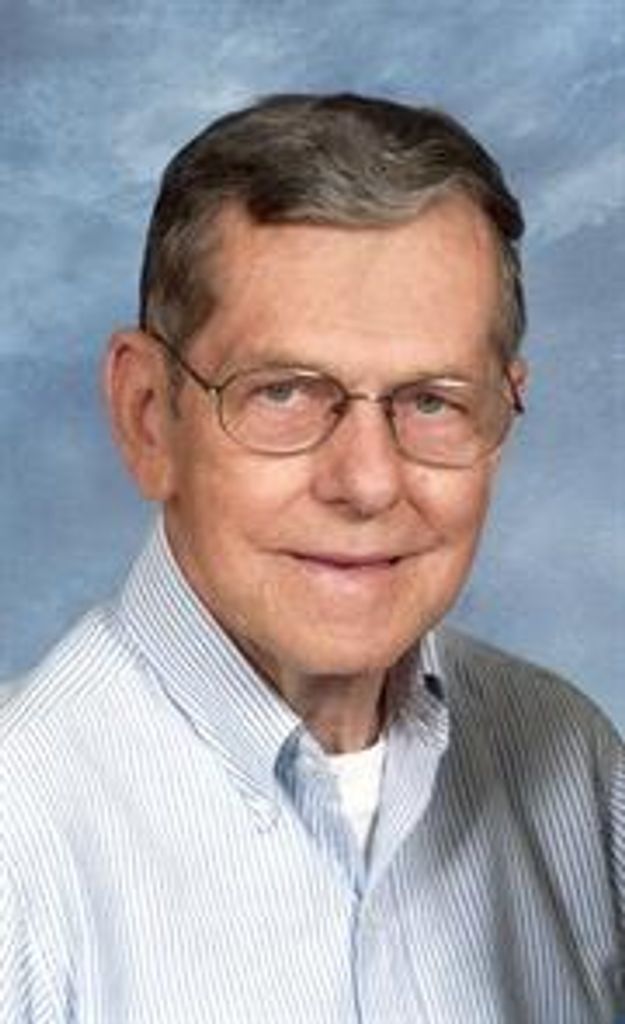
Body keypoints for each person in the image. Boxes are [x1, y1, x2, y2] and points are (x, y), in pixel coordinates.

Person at [1, 93, 623, 1024]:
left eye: (432, 401)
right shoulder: (20, 837)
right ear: (147, 416)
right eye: (284, 393)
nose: (366, 483)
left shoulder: (572, 763)